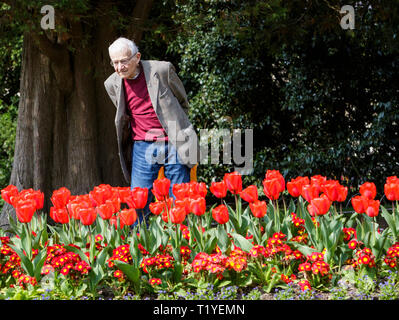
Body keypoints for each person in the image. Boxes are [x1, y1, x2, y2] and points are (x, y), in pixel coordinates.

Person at [104, 37, 200, 225]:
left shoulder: (162, 70)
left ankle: (182, 246)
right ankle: (142, 247)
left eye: (123, 61)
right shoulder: (112, 84)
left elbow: (182, 102)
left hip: (174, 142)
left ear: (137, 57)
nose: (119, 67)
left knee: (179, 202)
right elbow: (124, 113)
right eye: (114, 62)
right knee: (139, 203)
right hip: (142, 146)